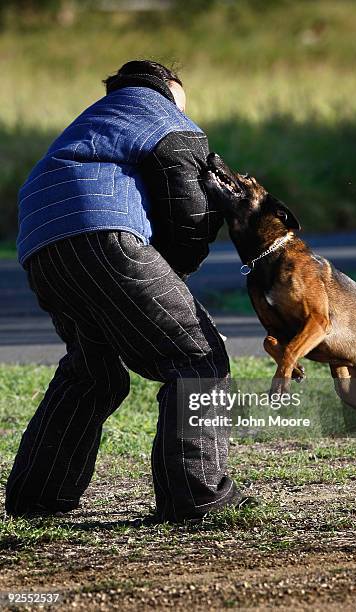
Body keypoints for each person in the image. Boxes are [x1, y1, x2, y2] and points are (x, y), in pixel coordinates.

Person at [6, 60, 246, 523]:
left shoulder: (95, 120)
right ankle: (196, 498)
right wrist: (173, 269)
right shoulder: (167, 118)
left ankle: (36, 500)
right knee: (197, 360)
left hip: (40, 247)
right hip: (105, 236)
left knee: (92, 373)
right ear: (169, 88)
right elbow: (188, 213)